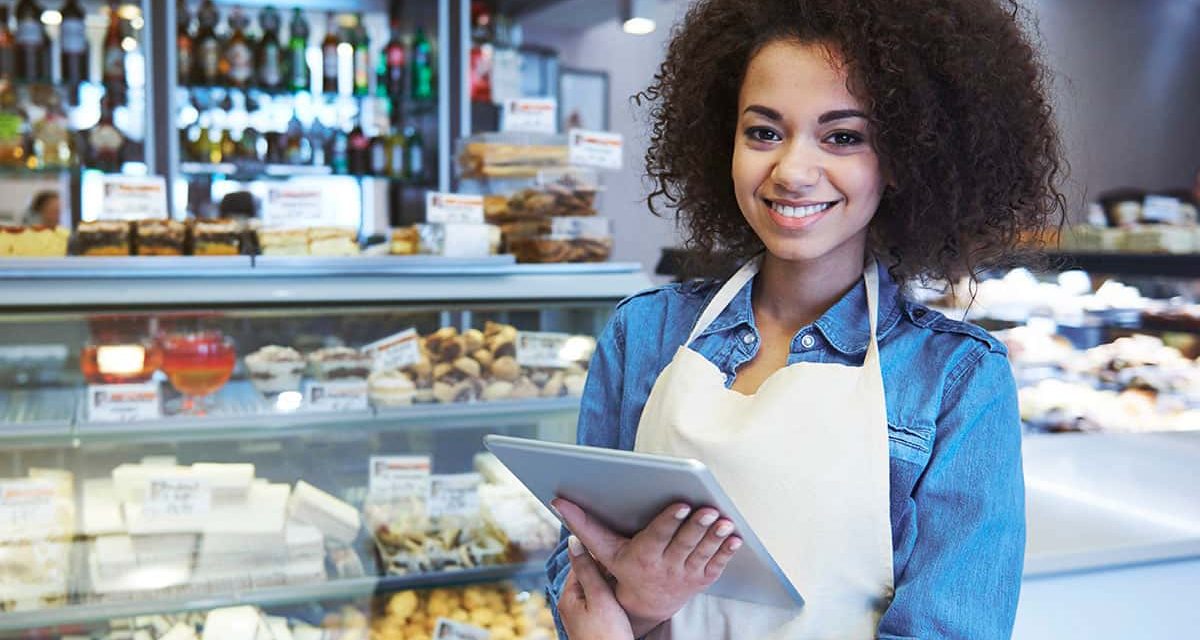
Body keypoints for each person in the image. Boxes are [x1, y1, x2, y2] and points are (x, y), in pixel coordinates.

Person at [546, 0, 1066, 638]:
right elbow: (574, 580)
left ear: (902, 159)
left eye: (843, 137)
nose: (791, 171)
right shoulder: (644, 335)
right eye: (763, 132)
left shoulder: (954, 381)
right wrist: (644, 604)